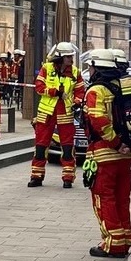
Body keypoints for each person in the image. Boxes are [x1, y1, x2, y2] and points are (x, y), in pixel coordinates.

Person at [82, 49, 131, 258]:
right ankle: (125, 238)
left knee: (105, 198)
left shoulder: (96, 91)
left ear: (96, 67)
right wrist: (126, 145)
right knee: (122, 198)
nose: (89, 70)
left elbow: (98, 120)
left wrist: (115, 142)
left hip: (105, 152)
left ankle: (113, 243)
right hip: (127, 155)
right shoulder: (126, 87)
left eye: (90, 67)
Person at [28, 41, 85, 189]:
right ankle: (36, 176)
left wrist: (77, 102)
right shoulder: (46, 68)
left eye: (71, 57)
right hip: (46, 113)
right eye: (68, 57)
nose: (71, 60)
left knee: (67, 147)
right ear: (60, 57)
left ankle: (68, 178)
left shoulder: (75, 72)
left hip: (65, 112)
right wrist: (55, 92)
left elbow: (80, 92)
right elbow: (39, 87)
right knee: (41, 146)